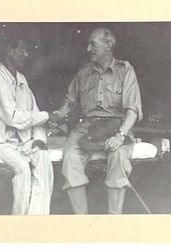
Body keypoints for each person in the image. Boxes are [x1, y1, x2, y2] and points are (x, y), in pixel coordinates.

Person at [51, 27, 143, 214]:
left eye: (93, 44)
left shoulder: (125, 70)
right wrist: (58, 114)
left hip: (117, 125)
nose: (88, 49)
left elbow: (132, 110)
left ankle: (113, 219)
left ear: (108, 45)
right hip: (86, 128)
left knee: (118, 158)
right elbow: (69, 101)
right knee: (70, 159)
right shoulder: (83, 73)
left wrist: (120, 135)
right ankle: (82, 219)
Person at [0, 36, 54, 215]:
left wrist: (39, 139)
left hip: (23, 141)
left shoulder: (21, 79)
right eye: (22, 50)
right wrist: (47, 116)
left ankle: (37, 218)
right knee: (22, 168)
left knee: (43, 159)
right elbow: (13, 117)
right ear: (8, 51)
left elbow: (33, 112)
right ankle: (19, 220)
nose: (26, 54)